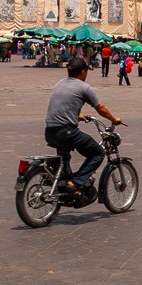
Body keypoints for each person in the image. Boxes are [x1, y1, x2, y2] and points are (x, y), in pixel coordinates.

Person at [44, 58, 122, 195]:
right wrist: (113, 119)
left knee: (64, 158)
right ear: (82, 72)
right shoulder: (84, 87)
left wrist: (77, 115)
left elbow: (61, 105)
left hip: (50, 132)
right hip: (66, 132)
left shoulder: (59, 84)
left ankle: (64, 187)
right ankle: (75, 182)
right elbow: (100, 108)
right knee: (98, 153)